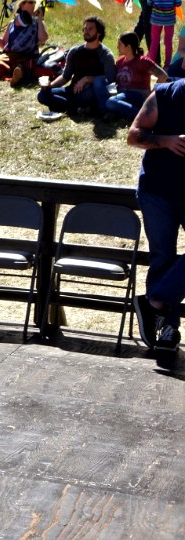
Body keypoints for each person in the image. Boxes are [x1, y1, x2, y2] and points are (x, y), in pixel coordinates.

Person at [128, 77, 185, 354]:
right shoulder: (165, 94)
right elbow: (133, 135)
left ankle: (155, 302)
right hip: (158, 190)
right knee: (163, 256)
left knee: (166, 261)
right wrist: (166, 140)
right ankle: (167, 329)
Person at [36, 16, 115, 115]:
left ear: (99, 33)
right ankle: (76, 108)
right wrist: (49, 86)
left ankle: (67, 106)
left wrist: (87, 79)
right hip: (71, 90)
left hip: (89, 91)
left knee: (90, 94)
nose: (86, 31)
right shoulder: (75, 51)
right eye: (85, 29)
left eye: (90, 29)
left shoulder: (106, 54)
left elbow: (110, 79)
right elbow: (65, 77)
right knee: (42, 95)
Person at [105, 32, 167, 120]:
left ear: (128, 47)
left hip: (138, 95)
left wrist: (151, 95)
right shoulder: (120, 61)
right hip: (122, 94)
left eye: (120, 44)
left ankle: (144, 116)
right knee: (106, 99)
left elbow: (162, 76)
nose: (117, 47)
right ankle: (120, 113)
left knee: (111, 102)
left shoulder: (143, 61)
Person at [147, 0, 180, 68]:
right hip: (169, 20)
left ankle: (150, 64)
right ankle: (167, 66)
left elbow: (149, 3)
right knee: (168, 43)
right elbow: (178, 3)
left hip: (156, 19)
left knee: (154, 42)